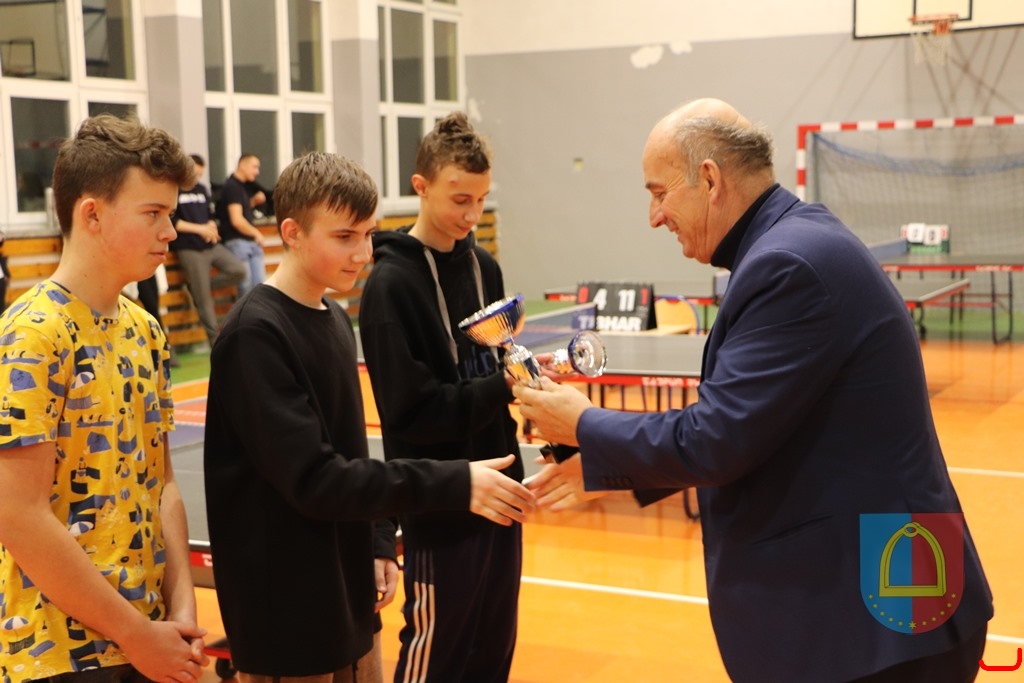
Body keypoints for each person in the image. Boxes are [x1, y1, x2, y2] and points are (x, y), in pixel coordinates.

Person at [514, 98, 993, 683]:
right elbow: (766, 428)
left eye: (659, 193)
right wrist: (602, 464)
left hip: (878, 616)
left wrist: (584, 423)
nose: (654, 216)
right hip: (890, 586)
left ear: (710, 179)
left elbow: (717, 438)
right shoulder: (798, 241)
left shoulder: (789, 264)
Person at [202, 151, 535, 683]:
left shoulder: (334, 316)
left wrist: (379, 538)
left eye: (369, 234)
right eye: (344, 237)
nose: (363, 253)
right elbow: (316, 479)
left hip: (347, 591)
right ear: (291, 232)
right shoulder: (255, 335)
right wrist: (454, 482)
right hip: (288, 613)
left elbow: (349, 448)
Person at [0, 114, 207, 682]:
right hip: (56, 655)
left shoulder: (146, 330)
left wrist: (181, 610)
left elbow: (163, 483)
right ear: (91, 214)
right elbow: (18, 514)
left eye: (170, 214)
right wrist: (133, 632)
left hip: (147, 638)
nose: (170, 231)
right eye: (153, 214)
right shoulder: (32, 335)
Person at [359, 112, 524, 683]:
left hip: (503, 493)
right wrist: (502, 387)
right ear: (420, 187)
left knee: (492, 651)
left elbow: (495, 368)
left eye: (480, 200)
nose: (471, 215)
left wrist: (526, 387)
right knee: (436, 656)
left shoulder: (485, 268)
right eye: (459, 199)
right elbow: (412, 413)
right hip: (440, 501)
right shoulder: (390, 286)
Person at [171, 154, 247, 345]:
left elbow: (210, 215)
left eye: (200, 174)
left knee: (239, 270)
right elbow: (173, 221)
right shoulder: (173, 190)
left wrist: (211, 228)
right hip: (190, 247)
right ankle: (216, 341)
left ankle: (198, 288)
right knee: (204, 302)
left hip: (210, 244)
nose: (197, 178)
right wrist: (200, 229)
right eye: (195, 173)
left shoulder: (201, 189)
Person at [216, 153, 267, 296]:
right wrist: (256, 233)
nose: (257, 172)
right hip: (237, 241)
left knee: (259, 286)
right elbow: (236, 220)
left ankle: (258, 310)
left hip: (249, 241)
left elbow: (239, 210)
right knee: (246, 286)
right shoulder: (232, 186)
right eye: (254, 167)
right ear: (243, 165)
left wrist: (253, 203)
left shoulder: (243, 187)